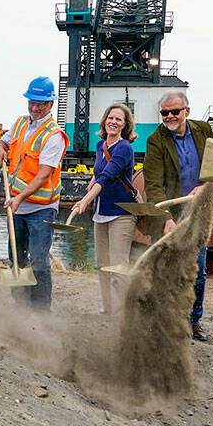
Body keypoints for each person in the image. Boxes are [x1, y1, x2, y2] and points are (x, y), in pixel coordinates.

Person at [142, 90, 213, 341]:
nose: (170, 116)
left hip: (199, 211)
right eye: (165, 113)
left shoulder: (205, 130)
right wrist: (165, 219)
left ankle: (193, 322)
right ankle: (161, 320)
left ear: (187, 111)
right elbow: (153, 185)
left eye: (175, 111)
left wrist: (206, 186)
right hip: (170, 211)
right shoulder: (155, 140)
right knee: (162, 268)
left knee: (198, 269)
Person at [0, 77, 69, 310]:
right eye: (32, 102)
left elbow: (43, 175)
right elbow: (2, 143)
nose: (35, 108)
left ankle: (40, 310)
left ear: (51, 104)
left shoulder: (53, 136)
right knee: (17, 258)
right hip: (16, 204)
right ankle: (20, 306)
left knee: (38, 262)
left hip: (40, 208)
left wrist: (18, 198)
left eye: (41, 104)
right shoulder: (19, 124)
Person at [72, 103, 138, 315]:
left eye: (119, 119)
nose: (113, 122)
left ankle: (122, 312)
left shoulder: (124, 148)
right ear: (104, 120)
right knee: (101, 264)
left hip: (121, 213)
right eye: (111, 118)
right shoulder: (102, 145)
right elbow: (99, 171)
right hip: (101, 212)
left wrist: (84, 200)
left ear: (125, 125)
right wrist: (91, 181)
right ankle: (108, 308)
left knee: (118, 266)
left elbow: (108, 176)